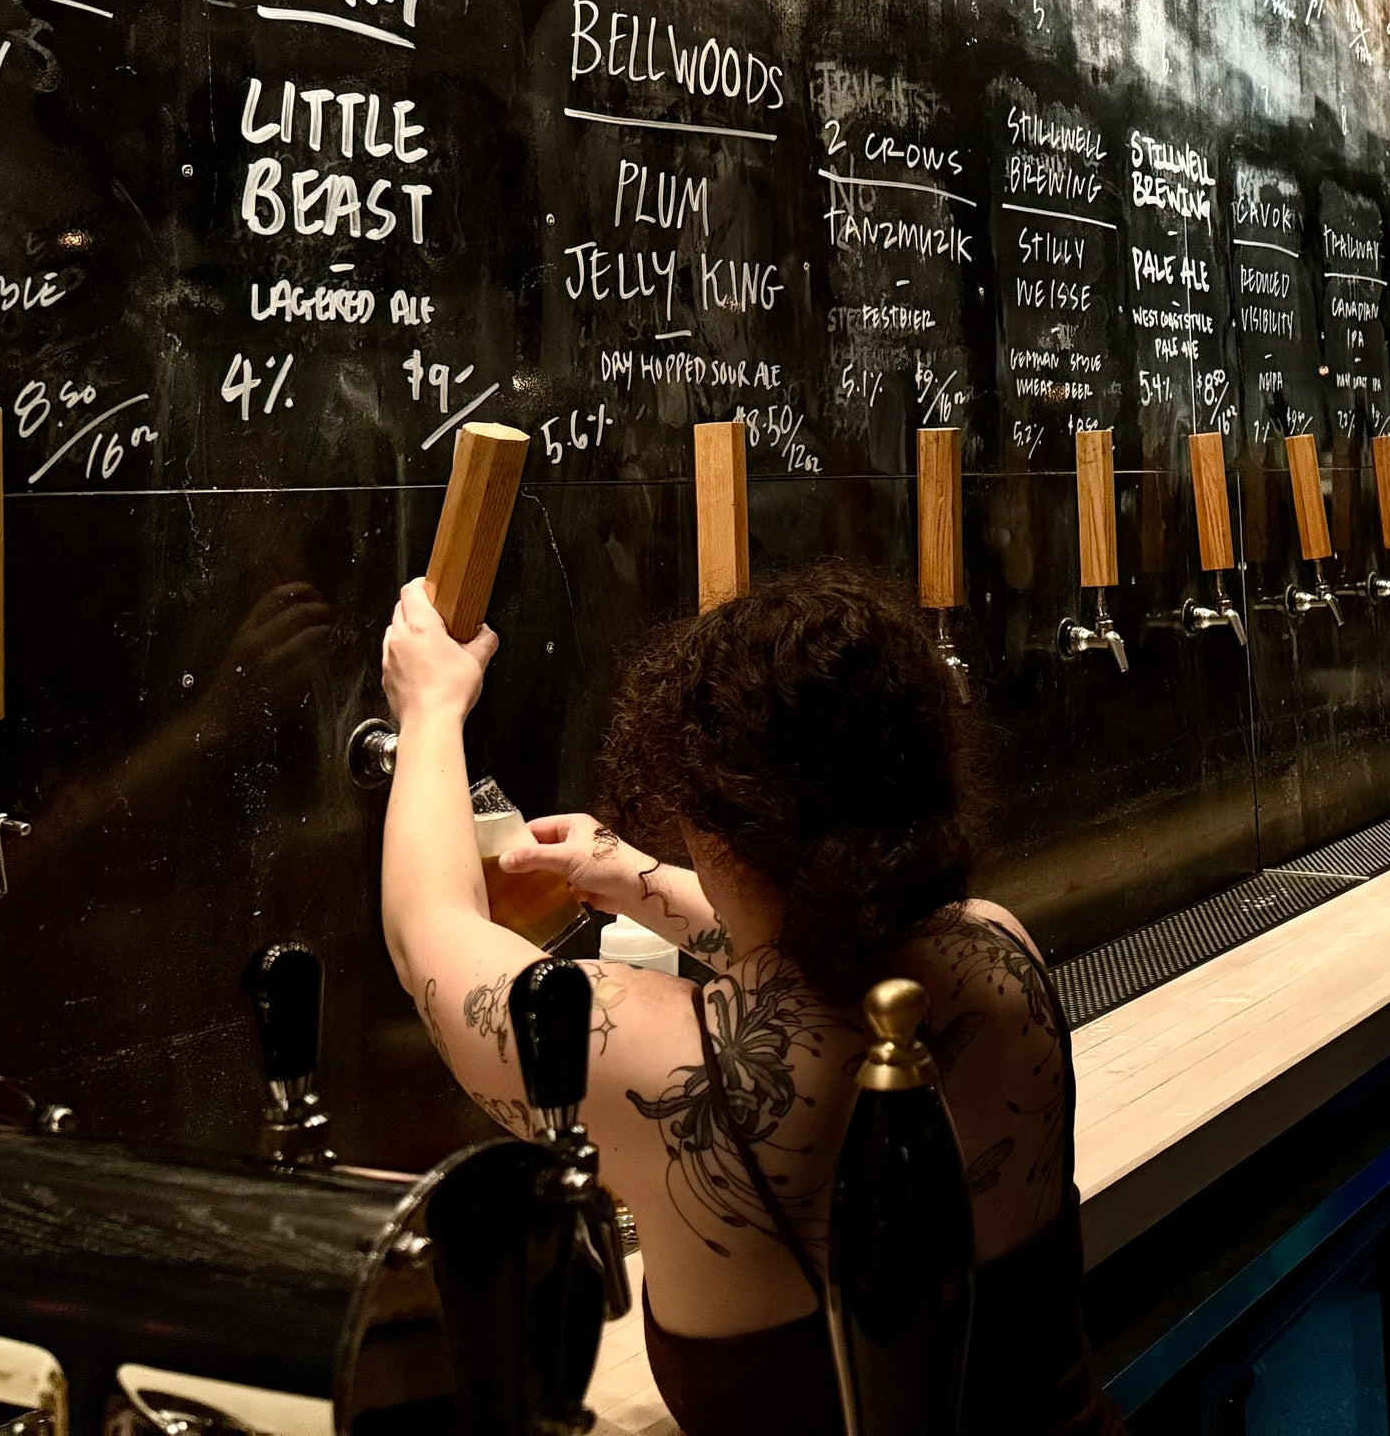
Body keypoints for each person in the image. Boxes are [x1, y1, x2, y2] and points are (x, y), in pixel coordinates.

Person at [378, 559, 1121, 1436]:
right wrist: (635, 877)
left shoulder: (658, 1064)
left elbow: (428, 928)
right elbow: (827, 945)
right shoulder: (1000, 951)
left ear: (713, 823)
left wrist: (430, 711)